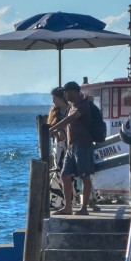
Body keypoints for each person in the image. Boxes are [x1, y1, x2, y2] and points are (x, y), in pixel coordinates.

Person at [48, 80, 96, 215]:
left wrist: (53, 128)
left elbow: (70, 120)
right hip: (71, 146)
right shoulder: (71, 106)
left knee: (85, 176)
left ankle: (84, 208)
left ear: (74, 92)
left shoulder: (83, 105)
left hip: (83, 145)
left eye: (66, 93)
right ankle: (68, 207)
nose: (65, 96)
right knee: (65, 175)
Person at [48, 86, 69, 171]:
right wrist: (59, 131)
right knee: (61, 166)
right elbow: (51, 128)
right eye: (53, 99)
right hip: (60, 144)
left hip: (72, 142)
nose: (53, 101)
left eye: (55, 99)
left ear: (62, 98)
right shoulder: (55, 113)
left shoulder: (71, 110)